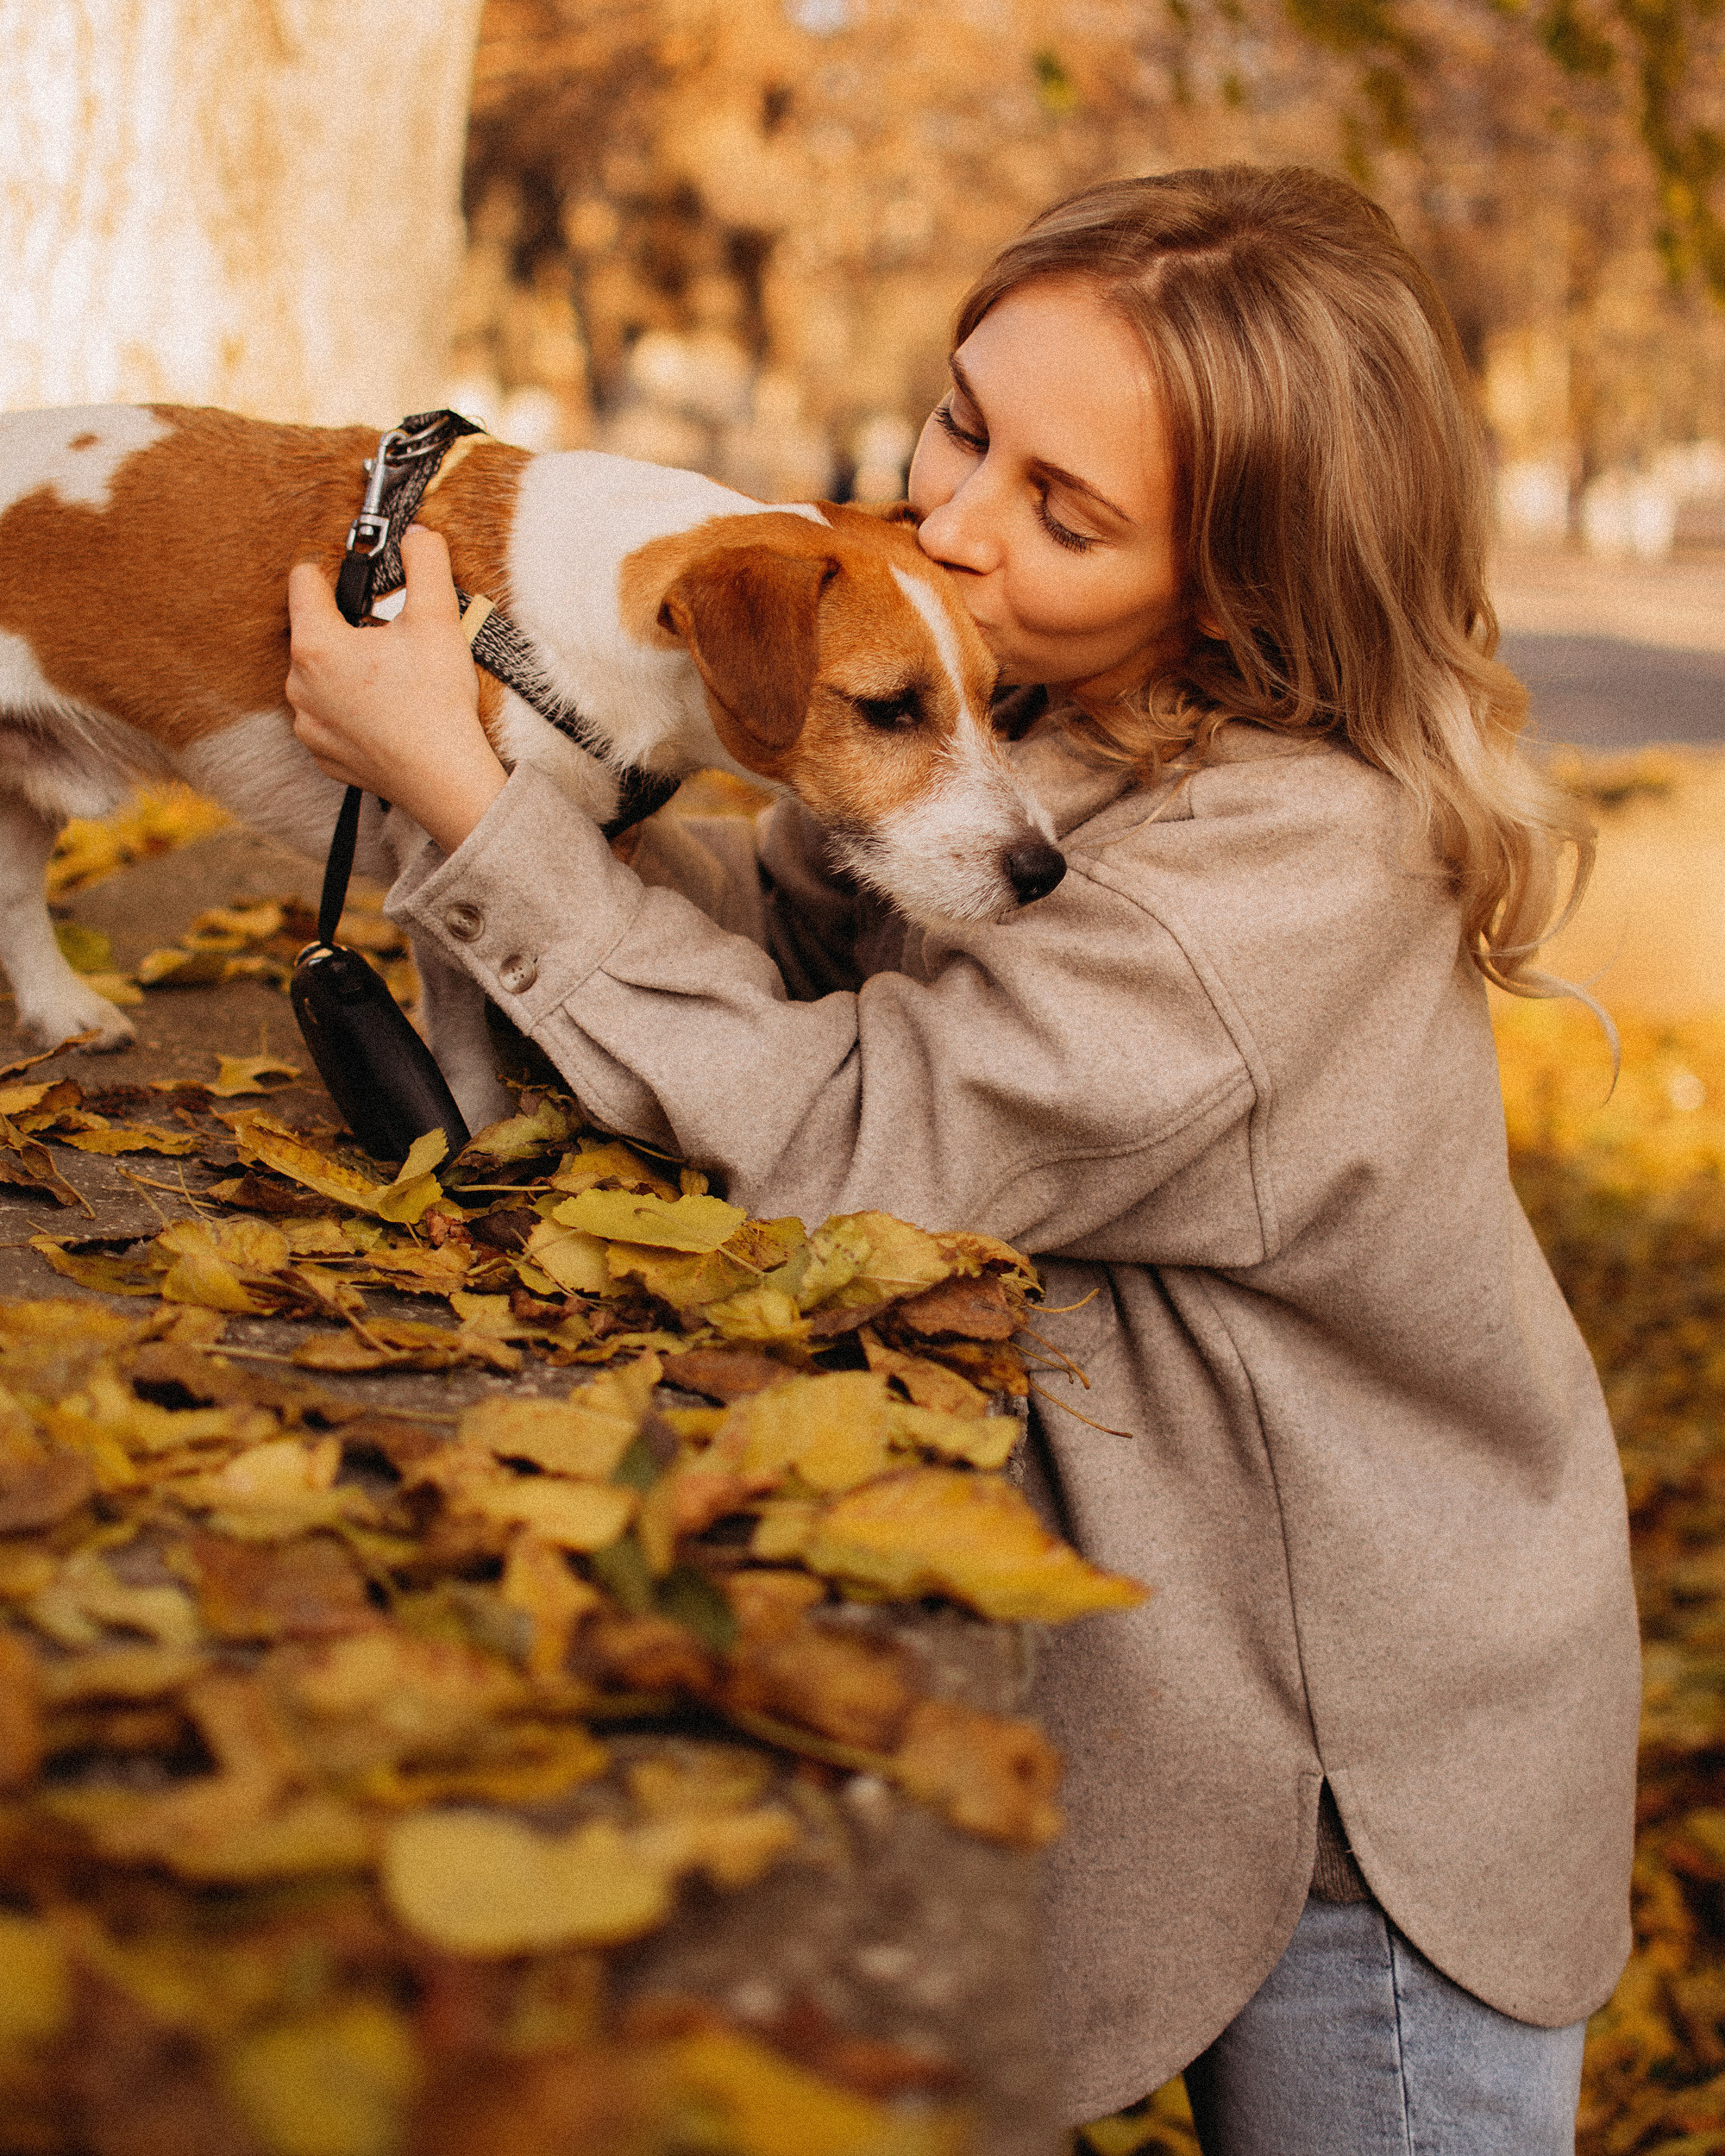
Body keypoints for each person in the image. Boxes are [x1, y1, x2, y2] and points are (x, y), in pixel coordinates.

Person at [285, 165, 1640, 2154]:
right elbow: (772, 958)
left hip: (1368, 1767)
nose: (954, 519)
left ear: (1246, 581)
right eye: (961, 420)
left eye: (1064, 508)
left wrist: (473, 809)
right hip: (1150, 1671)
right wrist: (525, 728)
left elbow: (850, 1130)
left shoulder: (1267, 879)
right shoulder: (1038, 713)